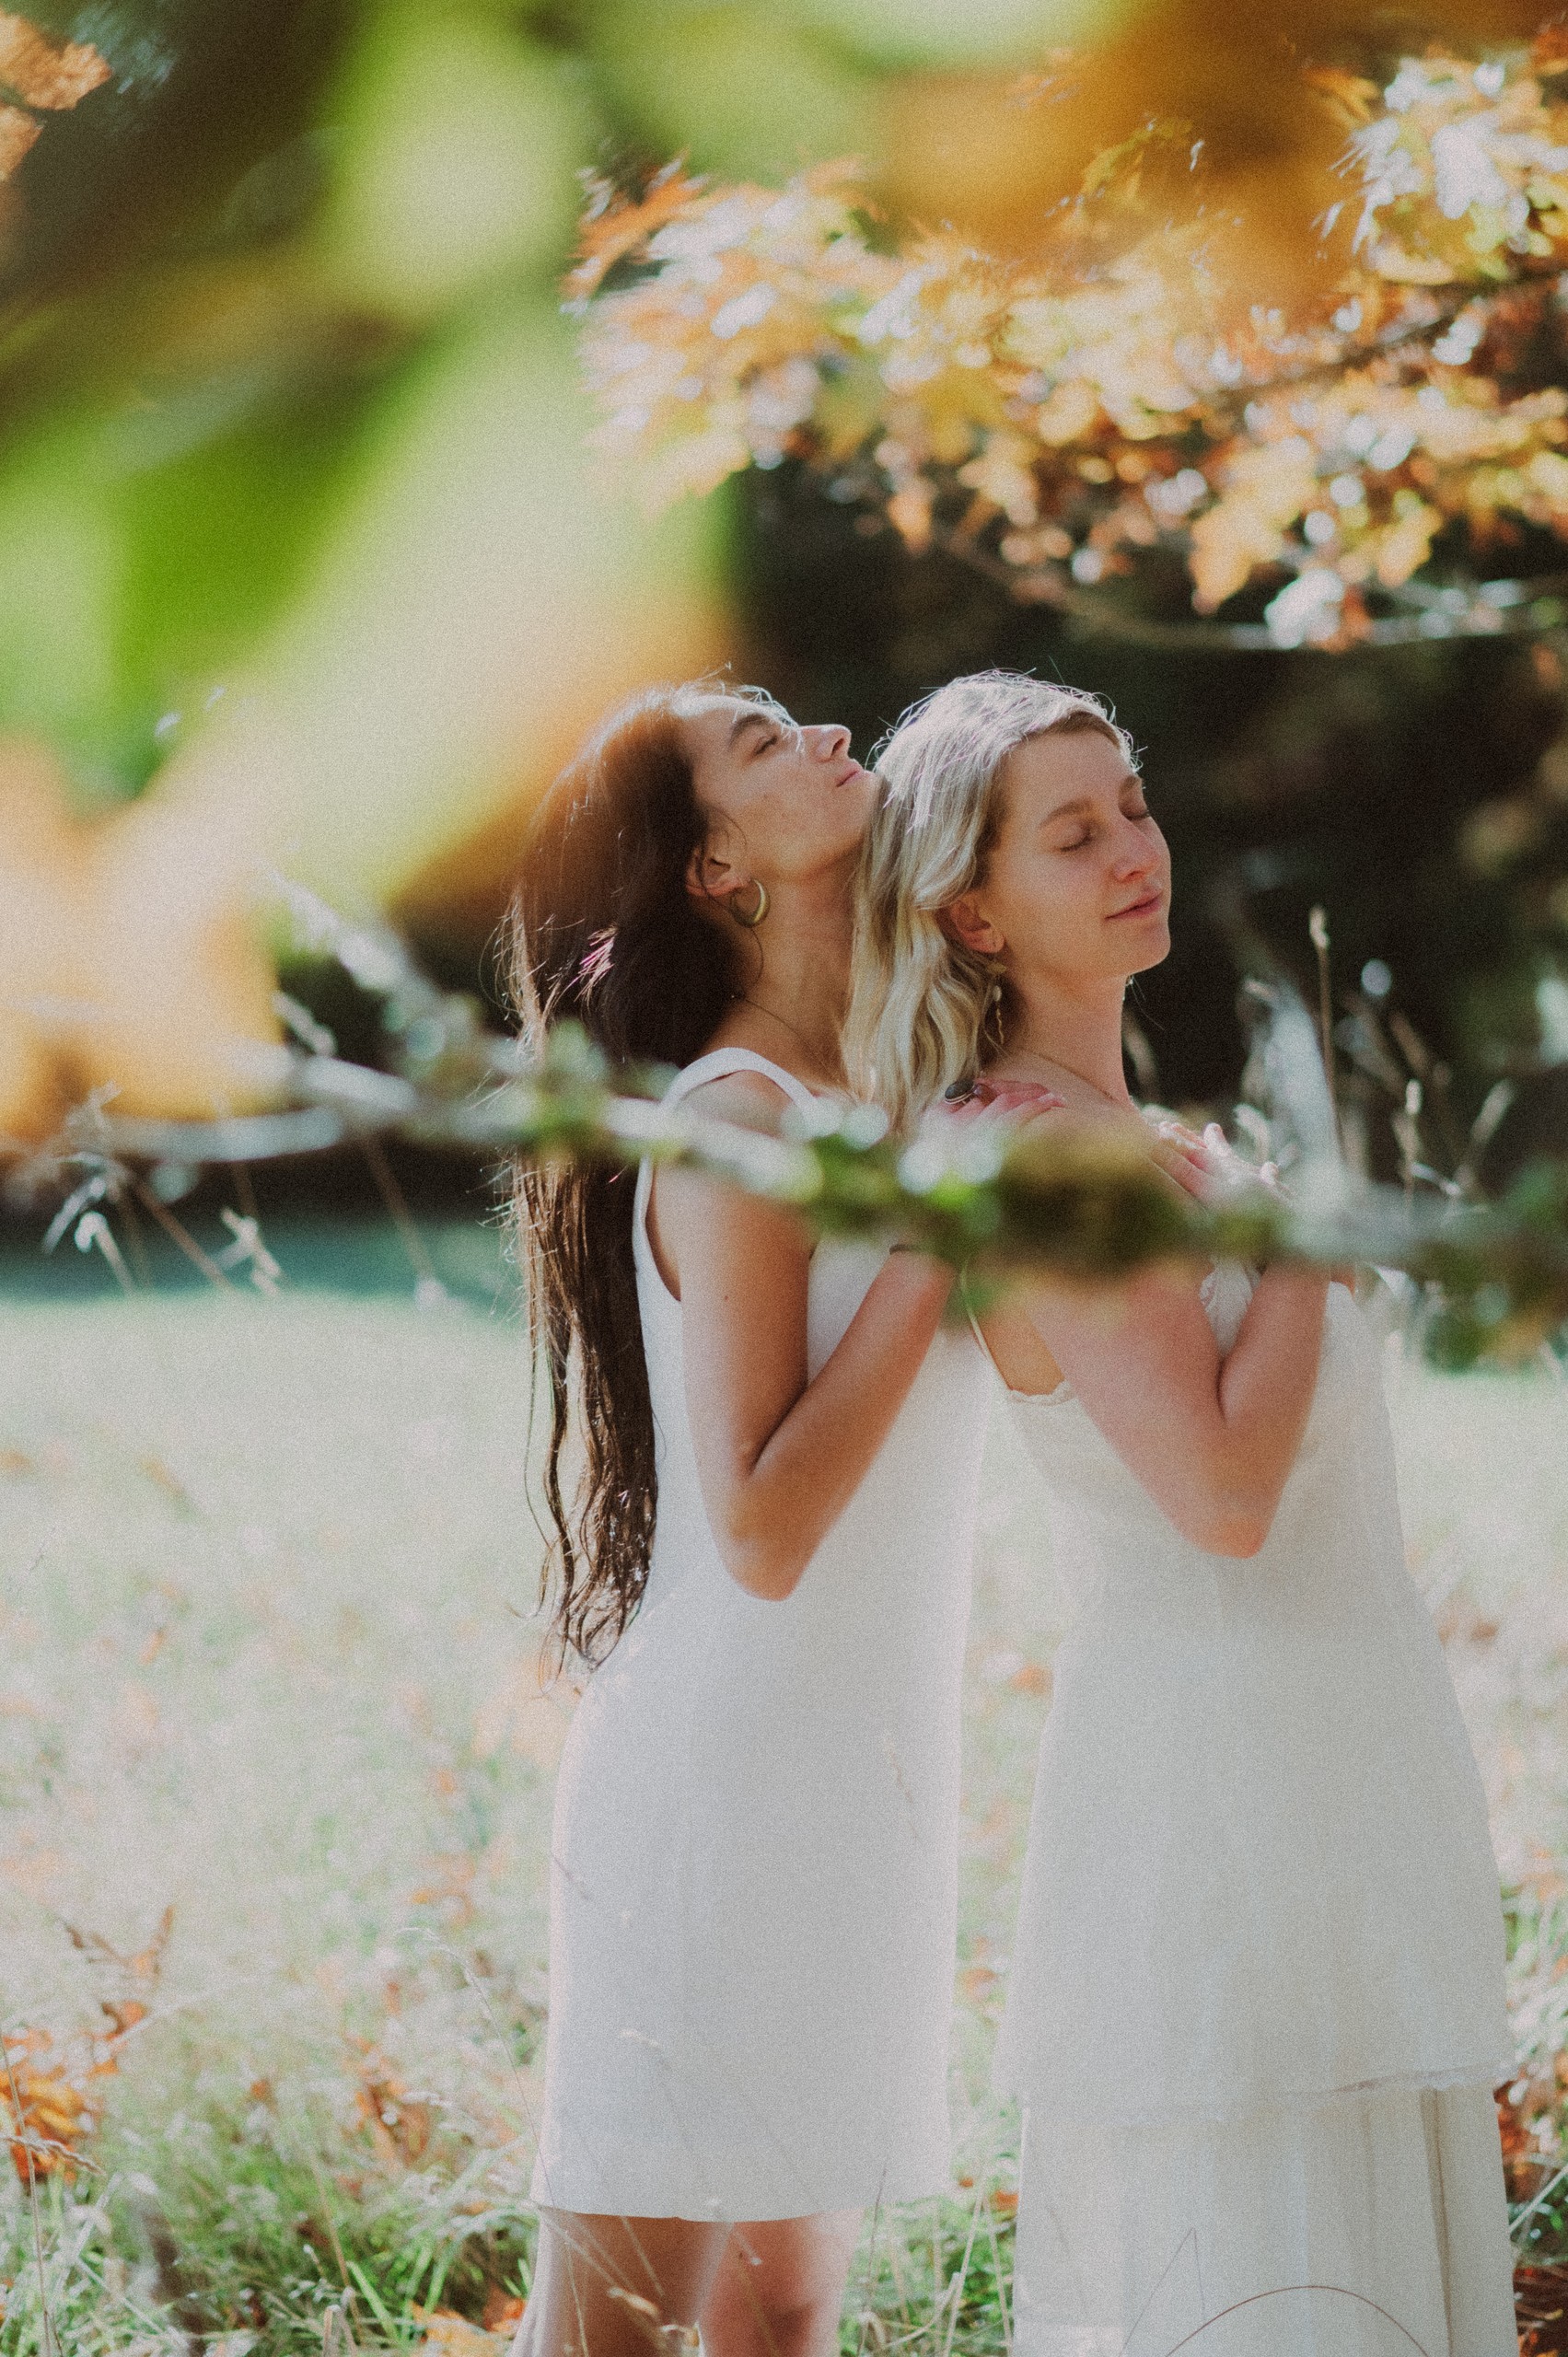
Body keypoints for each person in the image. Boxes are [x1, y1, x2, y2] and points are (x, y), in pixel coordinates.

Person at [846, 670, 1516, 2357]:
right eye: (1074, 833)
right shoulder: (1039, 1164)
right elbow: (1220, 1493)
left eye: (1131, 803)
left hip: (1328, 1775)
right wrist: (1312, 1235)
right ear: (971, 909)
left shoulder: (1165, 1153)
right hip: (1217, 1810)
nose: (1134, 847)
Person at [507, 680, 1051, 2357]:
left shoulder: (890, 1106)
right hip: (717, 1794)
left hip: (854, 1786)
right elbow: (756, 1528)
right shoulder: (738, 1128)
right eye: (762, 743)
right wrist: (933, 1251)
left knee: (786, 2316)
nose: (827, 738)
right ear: (716, 870)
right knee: (613, 2328)